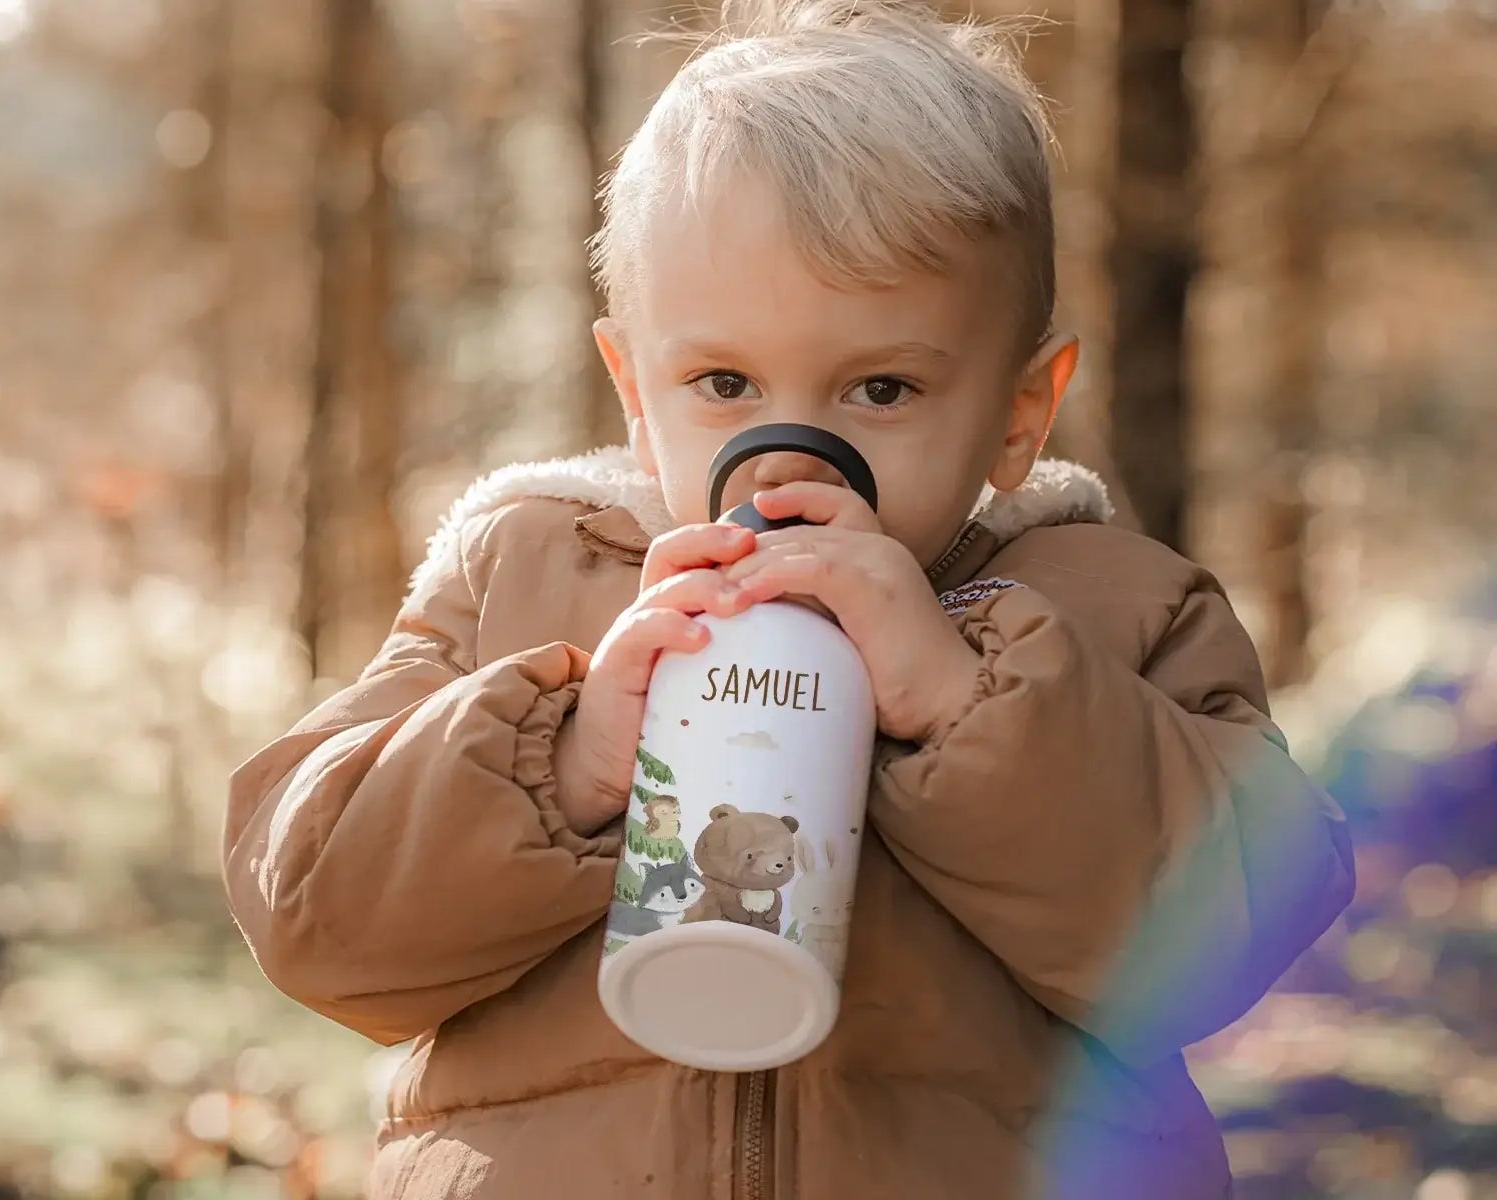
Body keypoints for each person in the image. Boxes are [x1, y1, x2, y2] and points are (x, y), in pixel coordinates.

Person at [220, 1, 1354, 1195]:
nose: (791, 458)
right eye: (724, 380)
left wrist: (970, 706)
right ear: (634, 388)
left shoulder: (1116, 608)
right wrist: (565, 758)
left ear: (1022, 409)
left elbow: (1244, 922)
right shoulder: (528, 574)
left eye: (880, 387)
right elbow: (312, 916)